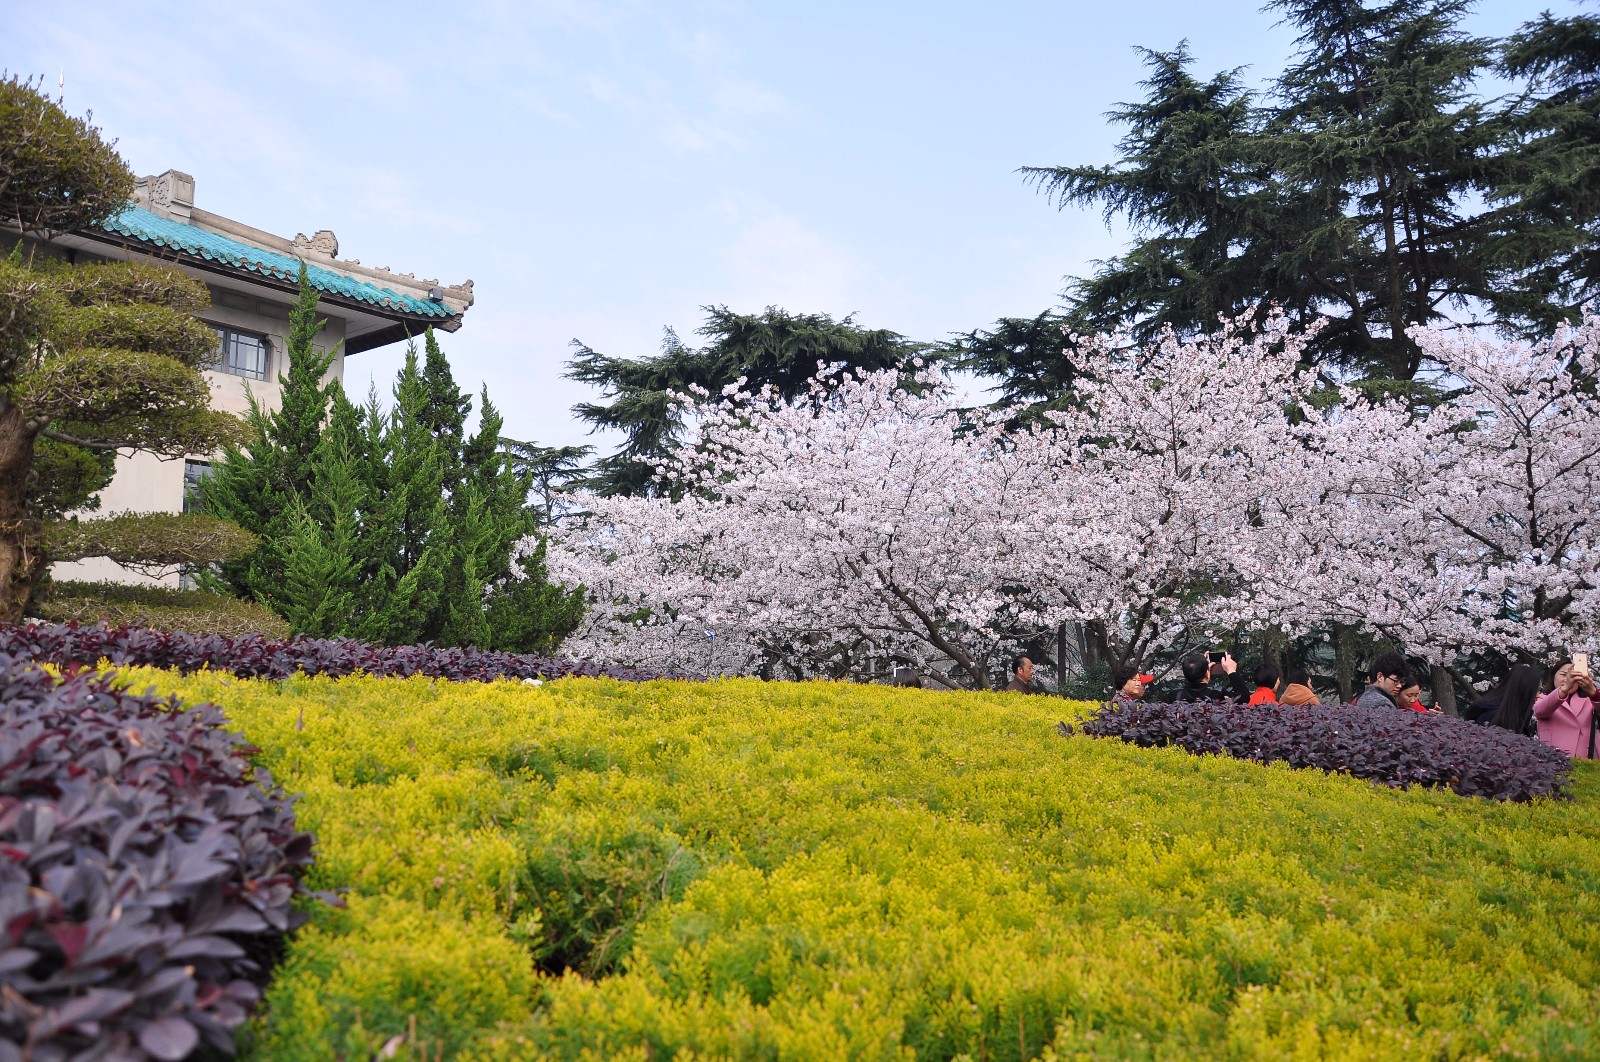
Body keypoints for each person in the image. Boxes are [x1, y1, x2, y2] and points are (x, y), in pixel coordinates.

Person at [1534, 659, 1598, 757]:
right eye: (1564, 675)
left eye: (1573, 676)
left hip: (1586, 760)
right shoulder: (1543, 699)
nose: (1568, 679)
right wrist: (1564, 689)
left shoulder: (1589, 700)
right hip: (1553, 760)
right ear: (1553, 676)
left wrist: (1594, 693)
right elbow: (1540, 711)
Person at [1489, 664, 1541, 736]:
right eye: (1536, 690)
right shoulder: (1490, 714)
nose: (1538, 695)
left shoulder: (1520, 716)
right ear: (1524, 690)